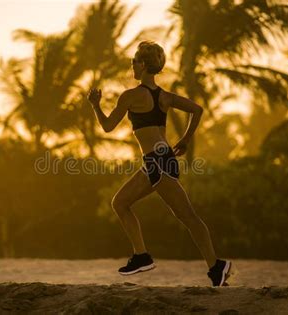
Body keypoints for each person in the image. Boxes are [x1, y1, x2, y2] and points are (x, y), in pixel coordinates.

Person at [87, 40, 233, 287]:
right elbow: (197, 110)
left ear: (142, 65)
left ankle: (216, 266)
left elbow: (108, 126)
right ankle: (142, 256)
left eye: (133, 62)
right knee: (121, 203)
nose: (131, 66)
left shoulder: (131, 96)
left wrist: (95, 106)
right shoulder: (165, 96)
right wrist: (185, 140)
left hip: (158, 163)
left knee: (187, 215)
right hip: (159, 161)